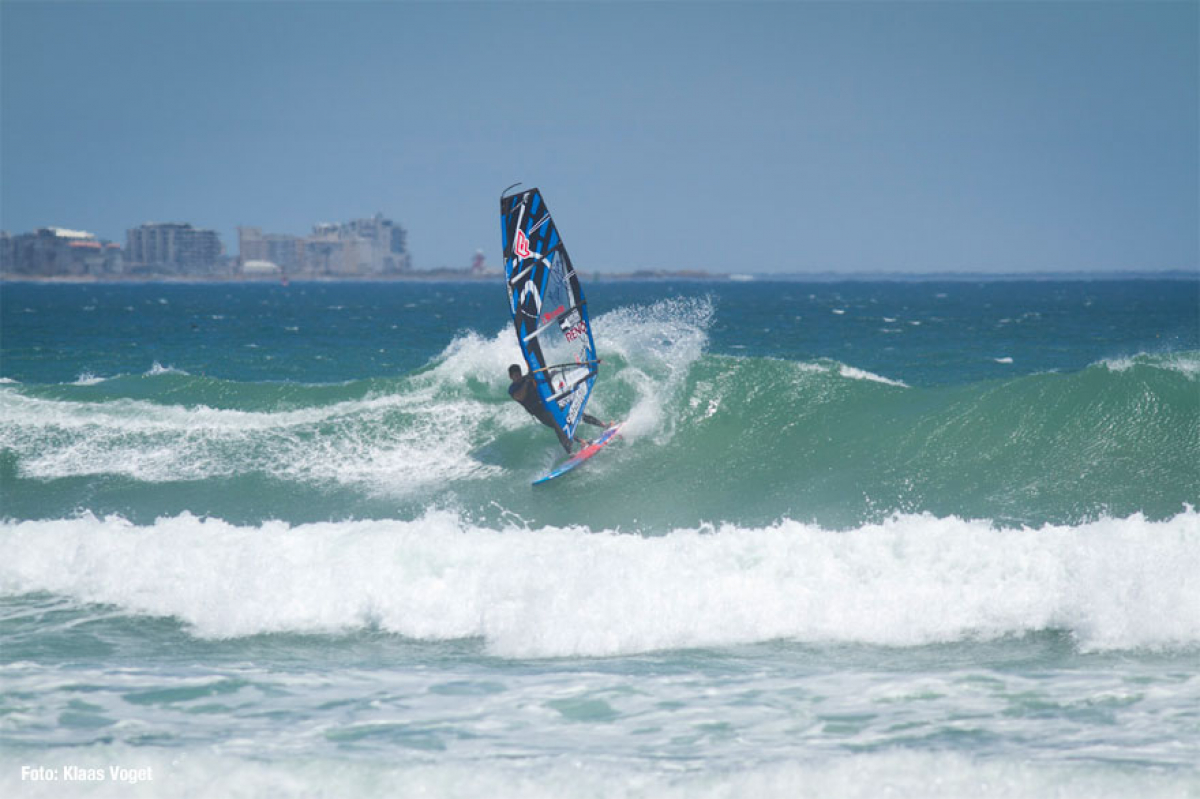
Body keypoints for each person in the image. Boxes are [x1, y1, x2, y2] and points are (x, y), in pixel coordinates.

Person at [508, 363, 608, 454]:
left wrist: (550, 375)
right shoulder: (513, 389)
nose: (518, 377)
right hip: (540, 412)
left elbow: (543, 382)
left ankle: (604, 425)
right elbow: (520, 396)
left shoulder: (528, 378)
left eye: (519, 374)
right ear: (511, 377)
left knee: (575, 411)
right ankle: (573, 450)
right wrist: (528, 381)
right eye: (515, 376)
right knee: (559, 426)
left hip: (550, 404)